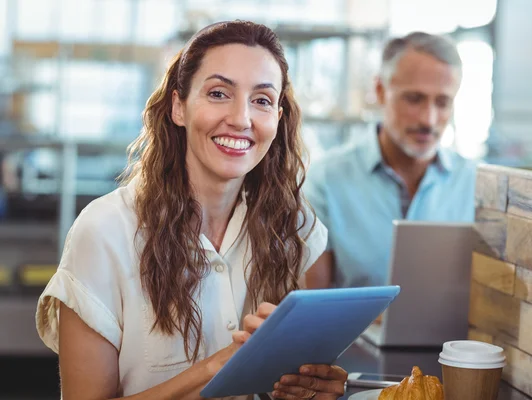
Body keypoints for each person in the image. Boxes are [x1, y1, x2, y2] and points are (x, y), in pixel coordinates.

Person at [35, 21, 347, 400]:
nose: (241, 118)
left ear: (278, 119)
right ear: (178, 107)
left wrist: (311, 388)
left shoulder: (297, 226)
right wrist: (219, 367)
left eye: (262, 100)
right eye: (218, 93)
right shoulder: (104, 231)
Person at [304, 32, 478, 289]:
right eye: (414, 99)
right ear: (380, 91)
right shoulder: (326, 180)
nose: (428, 120)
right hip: (354, 332)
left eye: (442, 102)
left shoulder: (475, 184)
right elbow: (313, 308)